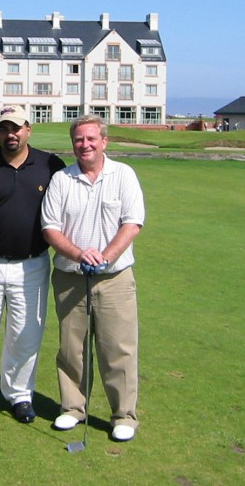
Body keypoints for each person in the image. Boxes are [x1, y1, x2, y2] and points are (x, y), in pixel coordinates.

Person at [40, 114, 145, 442]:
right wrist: (77, 254)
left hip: (114, 278)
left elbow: (133, 223)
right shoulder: (61, 179)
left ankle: (123, 414)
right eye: (78, 140)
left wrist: (106, 255)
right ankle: (72, 408)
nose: (84, 145)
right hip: (71, 277)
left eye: (90, 139)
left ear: (104, 142)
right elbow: (50, 228)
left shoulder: (123, 175)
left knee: (118, 348)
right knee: (72, 348)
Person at [0, 107, 65, 423]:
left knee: (25, 334)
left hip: (32, 265)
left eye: (16, 128)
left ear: (28, 129)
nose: (11, 134)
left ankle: (19, 395)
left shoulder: (50, 165)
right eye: (4, 129)